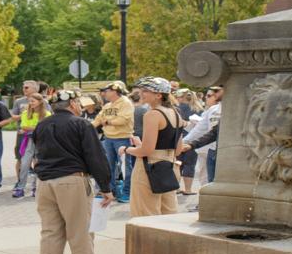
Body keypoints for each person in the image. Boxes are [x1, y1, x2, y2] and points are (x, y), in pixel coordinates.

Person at [30, 88, 113, 254]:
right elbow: (95, 156)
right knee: (81, 232)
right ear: (73, 104)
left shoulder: (42, 125)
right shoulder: (81, 124)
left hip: (45, 182)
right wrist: (106, 187)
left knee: (50, 232)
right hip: (72, 180)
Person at [123, 77, 184, 217]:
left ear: (159, 95)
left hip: (149, 167)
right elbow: (178, 149)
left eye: (146, 91)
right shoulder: (176, 113)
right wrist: (141, 145)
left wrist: (127, 149)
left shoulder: (152, 114)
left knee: (145, 213)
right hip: (169, 166)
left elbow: (147, 151)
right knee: (169, 213)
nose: (142, 94)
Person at [93, 81, 133, 203]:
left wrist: (108, 121)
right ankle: (111, 191)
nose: (104, 93)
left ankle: (127, 193)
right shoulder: (107, 105)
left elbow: (123, 120)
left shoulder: (126, 103)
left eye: (107, 91)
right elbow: (98, 120)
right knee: (108, 166)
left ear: (115, 91)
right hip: (109, 138)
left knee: (125, 168)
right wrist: (86, 128)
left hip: (123, 138)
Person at [181, 85, 222, 185]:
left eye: (216, 91)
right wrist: (186, 143)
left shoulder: (233, 109)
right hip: (211, 151)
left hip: (226, 152)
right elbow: (200, 129)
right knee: (207, 181)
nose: (206, 98)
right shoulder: (212, 110)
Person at [10, 93, 47, 198]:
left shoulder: (47, 114)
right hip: (28, 141)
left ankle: (36, 188)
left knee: (38, 165)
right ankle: (20, 188)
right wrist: (36, 127)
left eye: (33, 101)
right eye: (29, 101)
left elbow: (45, 128)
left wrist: (30, 128)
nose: (30, 103)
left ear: (40, 102)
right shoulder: (26, 113)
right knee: (25, 164)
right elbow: (24, 126)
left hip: (41, 142)